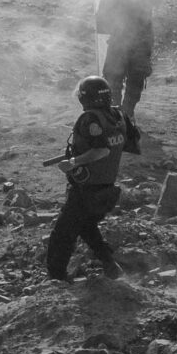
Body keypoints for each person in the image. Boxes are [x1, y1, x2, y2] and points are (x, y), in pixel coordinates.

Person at [43, 75, 136, 281]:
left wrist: (74, 162)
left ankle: (56, 280)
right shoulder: (119, 117)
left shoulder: (90, 119)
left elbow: (102, 150)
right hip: (107, 190)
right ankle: (111, 265)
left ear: (85, 98)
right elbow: (125, 143)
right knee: (86, 227)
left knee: (62, 235)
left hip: (86, 190)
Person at [94, 0, 156, 113]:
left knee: (124, 80)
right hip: (127, 42)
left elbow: (101, 24)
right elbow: (101, 23)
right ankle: (122, 114)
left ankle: (121, 115)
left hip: (129, 43)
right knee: (118, 80)